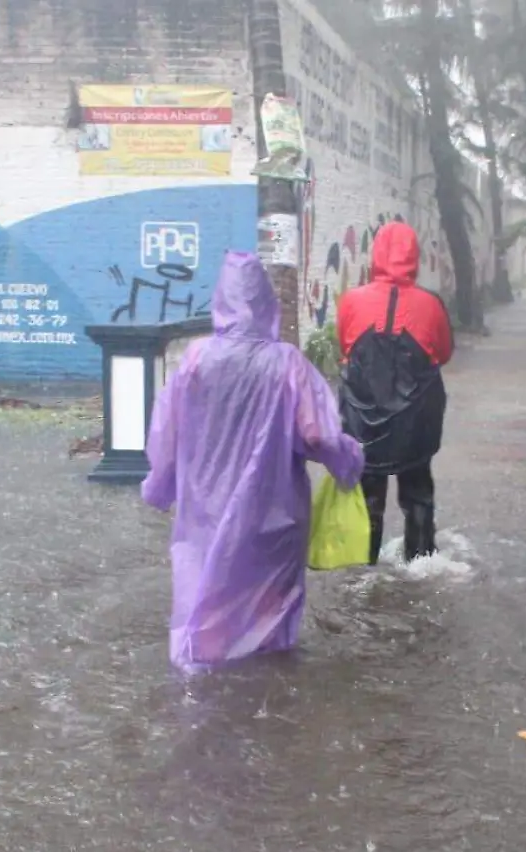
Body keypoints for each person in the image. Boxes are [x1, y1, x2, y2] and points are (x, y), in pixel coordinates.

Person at [141, 251, 364, 672]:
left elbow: (168, 430)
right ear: (266, 303)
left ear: (220, 301)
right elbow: (317, 433)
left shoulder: (194, 358)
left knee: (205, 598)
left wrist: (159, 485)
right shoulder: (287, 363)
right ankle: (266, 690)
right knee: (270, 610)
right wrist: (348, 460)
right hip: (272, 511)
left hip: (204, 509)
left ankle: (204, 681)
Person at [335, 221, 453, 562]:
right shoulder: (431, 304)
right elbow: (444, 353)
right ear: (414, 255)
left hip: (364, 419)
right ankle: (420, 562)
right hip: (416, 421)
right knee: (417, 492)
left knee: (368, 495)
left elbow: (344, 348)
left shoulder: (351, 301)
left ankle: (364, 563)